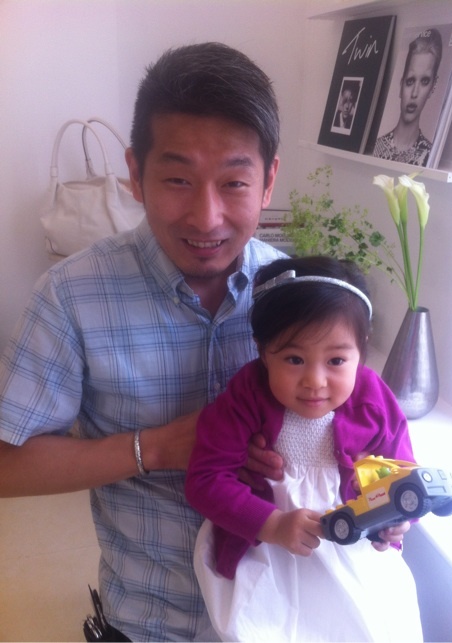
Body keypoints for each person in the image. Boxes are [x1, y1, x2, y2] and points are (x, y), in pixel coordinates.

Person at [0, 42, 286, 641]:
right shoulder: (71, 295)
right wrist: (155, 448)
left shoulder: (294, 294)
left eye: (234, 182)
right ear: (135, 173)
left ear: (268, 181)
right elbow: (8, 467)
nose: (206, 218)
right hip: (150, 622)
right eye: (178, 179)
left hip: (281, 616)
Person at [185, 255, 423, 642]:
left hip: (354, 552)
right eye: (294, 359)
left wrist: (398, 518)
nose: (315, 380)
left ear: (361, 349)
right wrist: (273, 524)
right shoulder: (246, 394)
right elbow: (205, 479)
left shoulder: (374, 397)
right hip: (264, 551)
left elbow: (404, 475)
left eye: (336, 360)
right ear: (263, 351)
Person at [373, 28, 443, 166]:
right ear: (401, 84)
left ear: (432, 87)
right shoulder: (377, 147)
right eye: (410, 81)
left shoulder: (429, 155)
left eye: (424, 81)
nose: (414, 93)